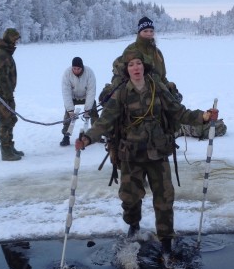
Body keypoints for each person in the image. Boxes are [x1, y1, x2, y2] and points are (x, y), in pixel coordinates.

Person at [75, 50, 218, 255]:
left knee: (164, 199)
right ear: (127, 69)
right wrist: (87, 139)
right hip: (131, 156)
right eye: (131, 64)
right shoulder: (122, 93)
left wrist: (203, 116)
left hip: (157, 153)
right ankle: (134, 228)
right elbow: (105, 121)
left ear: (144, 67)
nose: (136, 67)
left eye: (139, 64)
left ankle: (166, 243)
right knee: (130, 199)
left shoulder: (157, 89)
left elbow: (178, 111)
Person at [101, 16, 181, 103]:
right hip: (138, 95)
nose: (149, 33)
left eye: (151, 31)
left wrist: (169, 89)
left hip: (157, 93)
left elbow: (162, 76)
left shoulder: (157, 52)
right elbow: (121, 73)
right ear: (139, 32)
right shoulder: (131, 50)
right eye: (145, 31)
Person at [0, 28, 23, 161]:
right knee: (5, 121)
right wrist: (7, 95)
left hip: (4, 93)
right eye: (14, 39)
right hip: (1, 95)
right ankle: (6, 150)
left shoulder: (3, 52)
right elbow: (1, 78)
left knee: (11, 119)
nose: (16, 42)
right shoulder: (1, 54)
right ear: (9, 39)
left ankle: (9, 145)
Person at [60, 56, 98, 146]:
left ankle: (97, 134)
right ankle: (66, 136)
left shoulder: (89, 73)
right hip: (73, 97)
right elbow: (66, 93)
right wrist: (70, 110)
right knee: (67, 117)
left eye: (78, 68)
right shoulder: (67, 74)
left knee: (94, 113)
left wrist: (88, 109)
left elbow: (91, 91)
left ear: (82, 67)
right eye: (74, 68)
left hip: (86, 95)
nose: (76, 70)